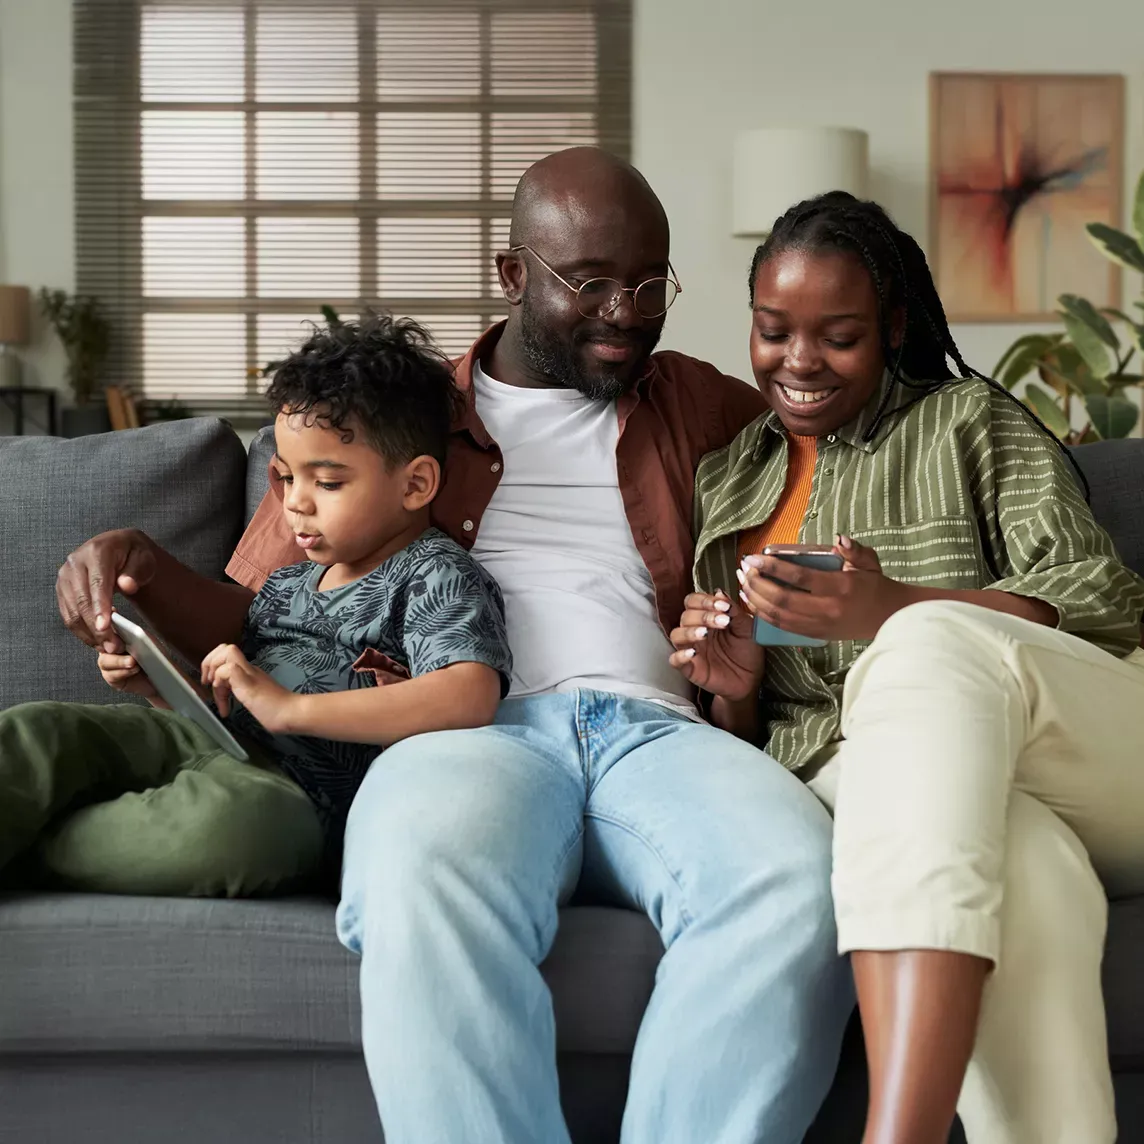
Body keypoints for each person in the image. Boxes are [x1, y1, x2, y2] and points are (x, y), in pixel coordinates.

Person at [56, 149, 854, 1144]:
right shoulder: (391, 411)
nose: (628, 311)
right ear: (511, 274)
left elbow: (855, 468)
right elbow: (259, 608)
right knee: (417, 872)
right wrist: (139, 571)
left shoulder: (706, 404)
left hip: (660, 734)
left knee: (799, 880)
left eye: (650, 283)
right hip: (463, 731)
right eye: (592, 282)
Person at [672, 190, 1144, 1144]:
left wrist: (896, 607)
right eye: (774, 330)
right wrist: (736, 685)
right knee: (1033, 887)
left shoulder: (968, 421)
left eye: (838, 336)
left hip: (1092, 746)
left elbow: (1102, 593)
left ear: (891, 328)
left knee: (920, 646)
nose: (799, 361)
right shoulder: (727, 480)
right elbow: (759, 741)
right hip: (898, 785)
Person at [13, 314, 510, 897]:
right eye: (285, 478)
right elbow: (226, 706)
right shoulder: (287, 584)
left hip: (289, 793)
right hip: (200, 744)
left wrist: (287, 710)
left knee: (232, 830)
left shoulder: (434, 572)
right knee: (37, 730)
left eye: (326, 483)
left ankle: (32, 846)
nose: (295, 504)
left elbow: (468, 693)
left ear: (415, 485)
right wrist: (159, 687)